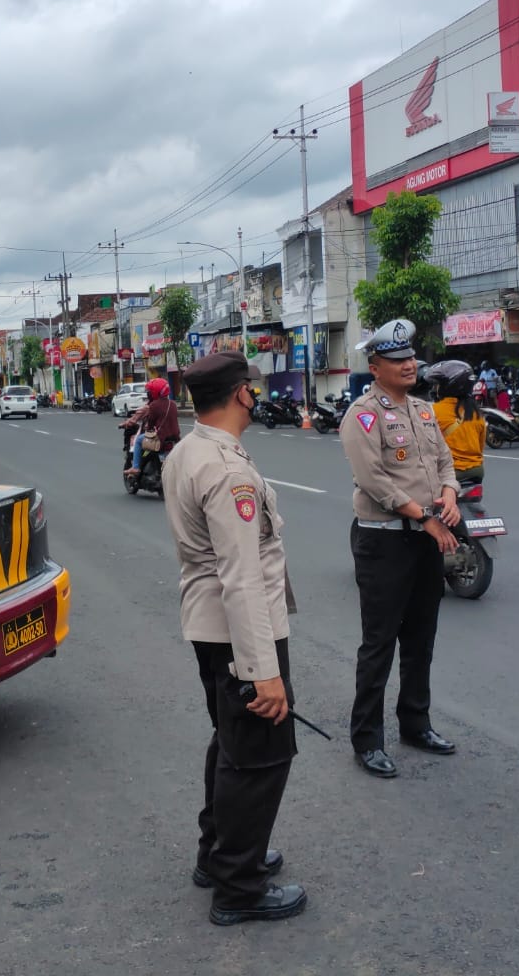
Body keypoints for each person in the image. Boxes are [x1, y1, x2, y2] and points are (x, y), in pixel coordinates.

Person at [163, 352, 306, 926]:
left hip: (211, 627)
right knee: (259, 756)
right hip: (240, 634)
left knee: (231, 743)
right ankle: (239, 887)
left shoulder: (190, 449)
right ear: (242, 393)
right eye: (254, 387)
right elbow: (241, 576)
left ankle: (219, 856)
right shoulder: (226, 470)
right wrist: (262, 670)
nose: (257, 395)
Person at [339, 319, 461, 779]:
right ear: (375, 368)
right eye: (397, 360)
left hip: (425, 539)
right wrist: (426, 516)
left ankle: (415, 724)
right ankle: (367, 740)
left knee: (420, 639)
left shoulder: (424, 411)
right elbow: (373, 479)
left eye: (410, 357)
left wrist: (449, 496)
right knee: (379, 644)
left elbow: (444, 461)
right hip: (385, 540)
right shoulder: (362, 415)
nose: (409, 365)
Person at [427, 360, 486, 483]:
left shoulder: (433, 411)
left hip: (450, 472)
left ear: (448, 386)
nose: (435, 388)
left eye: (438, 384)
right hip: (476, 470)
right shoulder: (476, 413)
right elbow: (480, 447)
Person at [124, 377, 179, 475]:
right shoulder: (173, 404)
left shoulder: (154, 405)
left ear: (155, 392)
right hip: (174, 437)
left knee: (138, 441)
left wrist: (148, 430)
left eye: (150, 391)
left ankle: (135, 467)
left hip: (159, 438)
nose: (148, 393)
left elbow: (150, 424)